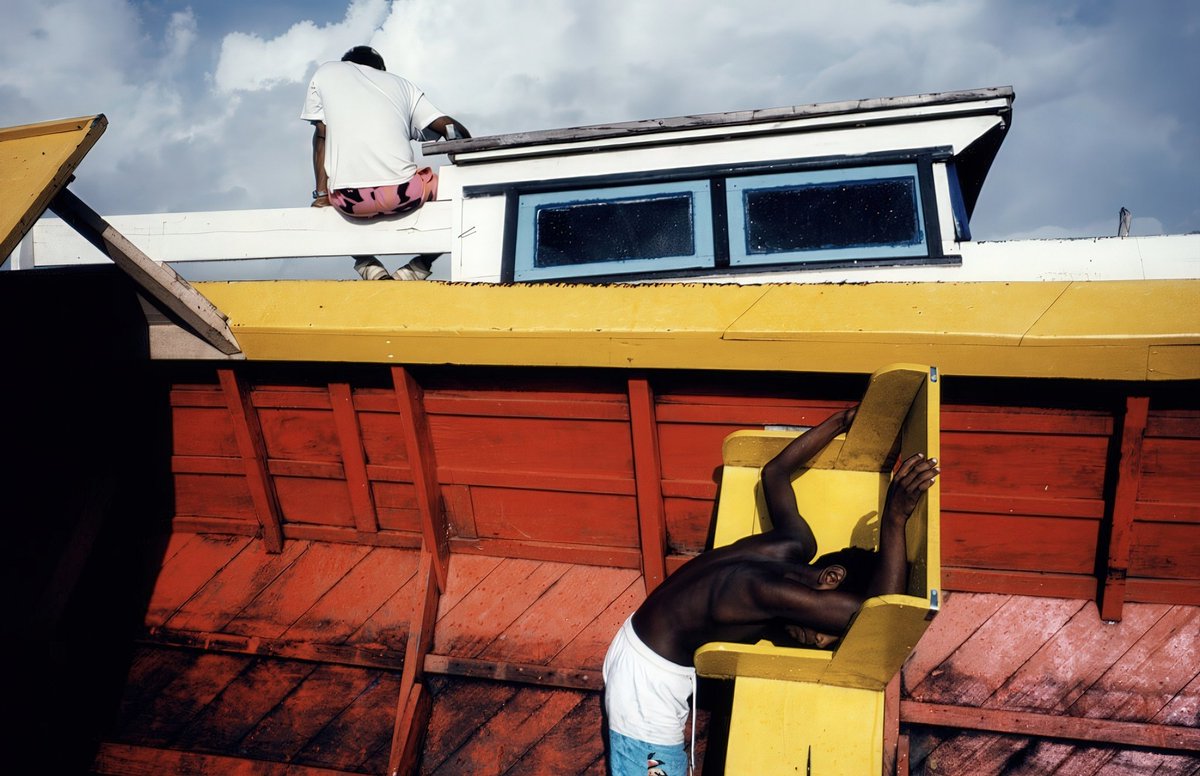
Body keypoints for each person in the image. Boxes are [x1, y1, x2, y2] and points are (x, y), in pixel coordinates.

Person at [602, 406, 938, 776]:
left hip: (644, 647)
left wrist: (842, 422)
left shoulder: (793, 543)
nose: (821, 642)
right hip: (647, 686)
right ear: (831, 579)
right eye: (828, 631)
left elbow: (775, 473)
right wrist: (894, 519)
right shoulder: (763, 590)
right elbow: (879, 618)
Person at [300, 45, 471, 281]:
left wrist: (321, 196)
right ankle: (418, 267)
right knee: (465, 199)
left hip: (348, 200)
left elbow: (322, 134)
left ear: (346, 63)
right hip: (404, 194)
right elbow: (449, 127)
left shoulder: (327, 71)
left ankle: (368, 266)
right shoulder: (402, 84)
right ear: (381, 70)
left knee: (323, 209)